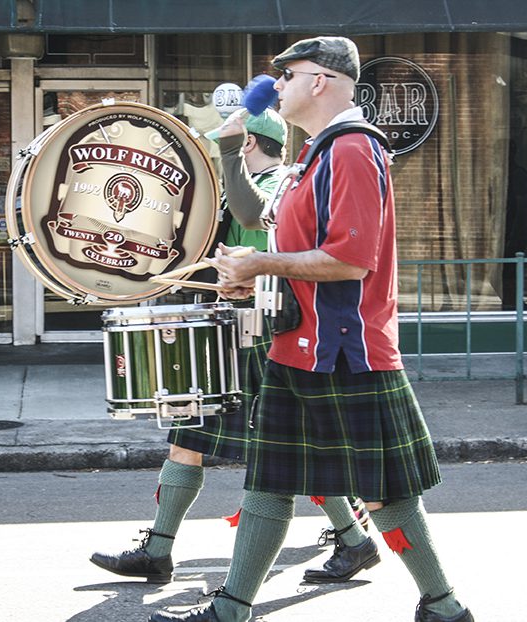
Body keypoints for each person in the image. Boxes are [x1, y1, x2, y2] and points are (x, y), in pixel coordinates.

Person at [150, 37, 473, 622]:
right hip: (298, 347)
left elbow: (350, 261)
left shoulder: (352, 150)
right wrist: (252, 278)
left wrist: (260, 264)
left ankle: (445, 607)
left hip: (343, 353)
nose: (276, 86)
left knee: (385, 495)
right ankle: (232, 609)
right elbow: (283, 240)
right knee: (268, 483)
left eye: (287, 75)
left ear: (320, 80)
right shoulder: (316, 156)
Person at [90, 109, 373, 585]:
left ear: (247, 144)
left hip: (265, 335)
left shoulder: (280, 187)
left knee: (293, 446)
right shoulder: (243, 188)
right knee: (189, 435)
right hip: (233, 329)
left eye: (227, 146)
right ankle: (157, 551)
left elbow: (271, 257)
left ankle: (355, 541)